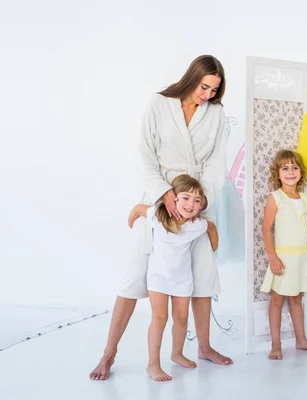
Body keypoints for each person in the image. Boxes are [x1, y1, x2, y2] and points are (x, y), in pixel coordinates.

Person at [90, 55, 231, 381]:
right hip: (160, 196)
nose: (207, 94)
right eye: (203, 86)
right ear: (191, 77)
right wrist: (162, 194)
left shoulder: (217, 113)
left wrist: (200, 200)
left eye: (214, 89)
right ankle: (109, 353)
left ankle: (204, 347)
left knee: (203, 275)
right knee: (133, 276)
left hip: (196, 199)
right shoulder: (159, 103)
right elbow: (144, 152)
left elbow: (216, 161)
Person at [127, 175, 218, 381]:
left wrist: (213, 248)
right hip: (158, 278)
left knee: (182, 318)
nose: (191, 204)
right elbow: (137, 209)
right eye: (186, 198)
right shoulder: (158, 217)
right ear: (173, 199)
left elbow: (211, 228)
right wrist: (131, 223)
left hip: (182, 280)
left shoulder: (197, 225)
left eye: (197, 200)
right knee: (160, 318)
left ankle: (177, 353)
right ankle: (153, 364)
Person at [260, 149, 307, 360]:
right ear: (277, 174)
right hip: (284, 258)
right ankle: (276, 345)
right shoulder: (275, 198)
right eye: (285, 168)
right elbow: (266, 228)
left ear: (301, 172)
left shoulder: (306, 200)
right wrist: (273, 258)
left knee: (297, 298)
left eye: (294, 168)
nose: (290, 172)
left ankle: (301, 339)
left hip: (302, 258)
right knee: (277, 299)